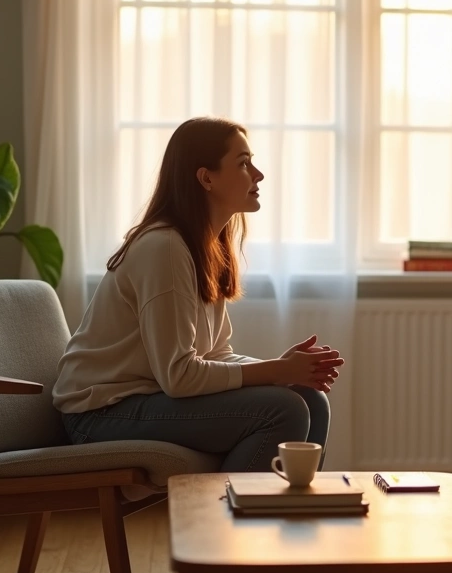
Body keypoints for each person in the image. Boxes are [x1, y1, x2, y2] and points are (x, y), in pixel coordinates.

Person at [53, 117, 344, 472]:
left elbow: (216, 353)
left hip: (148, 399)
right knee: (284, 409)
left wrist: (282, 371)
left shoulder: (207, 246)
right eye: (243, 163)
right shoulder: (164, 247)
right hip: (99, 415)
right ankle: (224, 522)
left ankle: (286, 519)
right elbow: (179, 376)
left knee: (311, 399)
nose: (258, 175)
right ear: (206, 178)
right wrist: (274, 371)